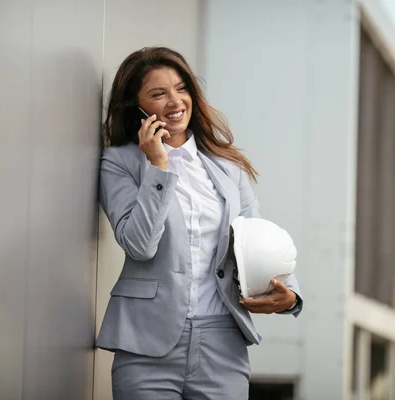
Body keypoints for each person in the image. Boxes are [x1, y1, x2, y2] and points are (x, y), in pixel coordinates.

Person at [97, 46, 303, 400]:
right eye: (158, 94)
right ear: (138, 106)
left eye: (181, 88)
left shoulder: (228, 169)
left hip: (222, 345)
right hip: (146, 346)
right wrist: (158, 166)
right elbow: (140, 245)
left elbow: (258, 238)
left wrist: (290, 295)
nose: (175, 101)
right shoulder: (120, 163)